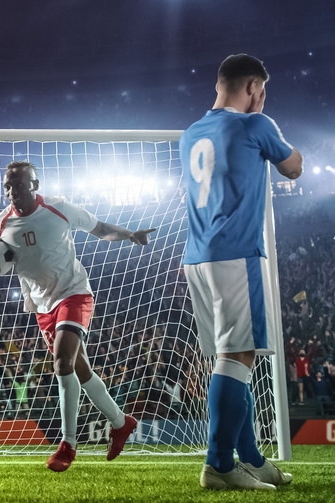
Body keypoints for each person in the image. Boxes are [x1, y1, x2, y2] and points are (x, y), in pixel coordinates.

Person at [0, 160, 152, 472]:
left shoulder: (58, 208)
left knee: (62, 363)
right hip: (41, 304)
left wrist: (130, 234)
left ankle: (67, 445)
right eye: (8, 187)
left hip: (74, 292)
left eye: (19, 184)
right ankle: (121, 422)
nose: (12, 192)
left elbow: (100, 229)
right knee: (79, 370)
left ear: (34, 185)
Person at [179, 54, 302, 490]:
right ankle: (219, 465)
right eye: (262, 91)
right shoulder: (256, 124)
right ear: (252, 86)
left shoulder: (191, 133)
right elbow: (294, 166)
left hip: (197, 255)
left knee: (231, 360)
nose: (262, 99)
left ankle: (250, 457)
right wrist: (269, 127)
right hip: (236, 254)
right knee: (239, 358)